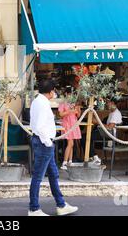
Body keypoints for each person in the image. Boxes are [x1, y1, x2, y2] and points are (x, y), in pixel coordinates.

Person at [29, 79, 78, 216]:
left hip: (42, 142)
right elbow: (39, 126)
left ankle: (61, 205)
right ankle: (33, 208)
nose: (54, 93)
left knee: (53, 174)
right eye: (54, 91)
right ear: (50, 92)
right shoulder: (43, 104)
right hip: (44, 143)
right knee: (38, 176)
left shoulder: (37, 101)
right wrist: (48, 143)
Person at [58, 88, 82, 170]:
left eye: (73, 94)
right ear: (66, 94)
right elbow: (61, 114)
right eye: (70, 94)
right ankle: (64, 163)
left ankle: (70, 161)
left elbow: (78, 115)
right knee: (70, 143)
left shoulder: (74, 103)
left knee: (72, 144)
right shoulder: (63, 103)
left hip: (73, 124)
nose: (72, 96)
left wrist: (78, 110)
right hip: (67, 124)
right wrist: (70, 111)